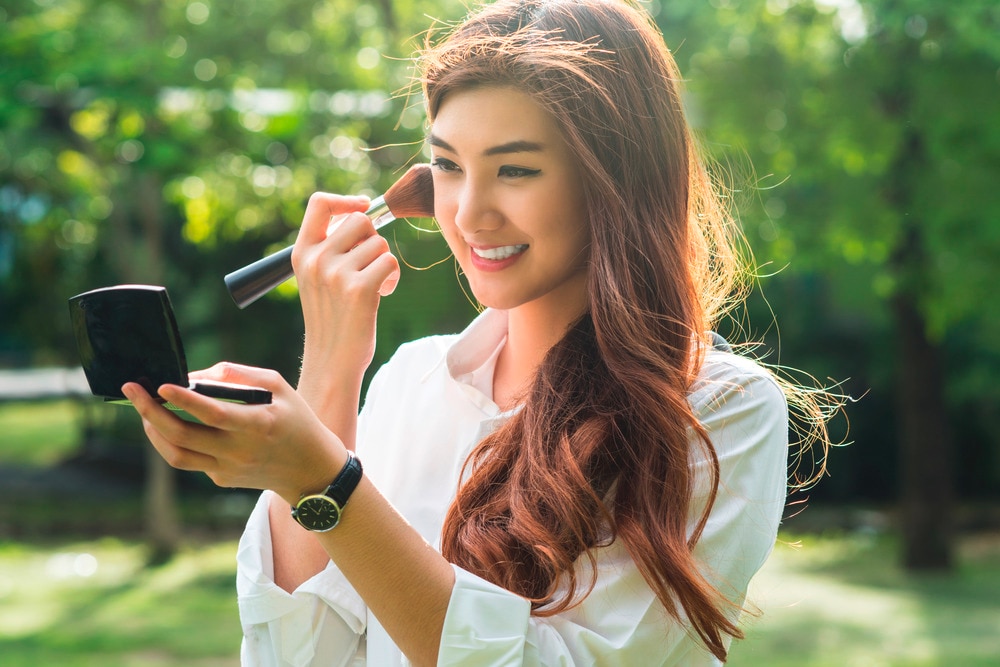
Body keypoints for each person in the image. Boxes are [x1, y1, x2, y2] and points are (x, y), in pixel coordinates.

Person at [124, 0, 840, 664]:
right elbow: (300, 655)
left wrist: (328, 483)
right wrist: (332, 371)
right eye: (447, 166)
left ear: (613, 180)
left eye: (516, 169)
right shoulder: (411, 380)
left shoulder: (718, 408)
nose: (468, 214)